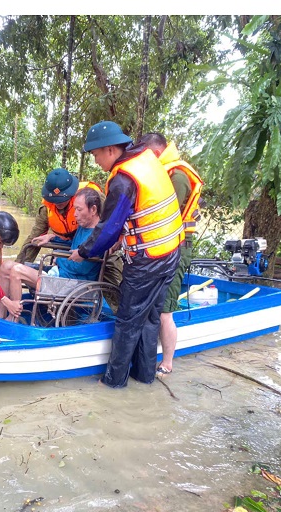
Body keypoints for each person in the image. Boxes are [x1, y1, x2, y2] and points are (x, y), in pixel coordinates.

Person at [69, 120, 183, 388]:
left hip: (148, 260)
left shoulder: (122, 179)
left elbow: (108, 228)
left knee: (128, 320)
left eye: (96, 155)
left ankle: (113, 383)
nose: (96, 161)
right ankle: (144, 377)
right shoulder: (145, 157)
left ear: (110, 150)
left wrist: (84, 252)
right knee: (151, 318)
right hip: (170, 252)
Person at [137, 132, 205, 378]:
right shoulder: (166, 172)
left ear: (154, 153)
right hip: (161, 246)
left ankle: (167, 362)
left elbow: (163, 214)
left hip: (177, 246)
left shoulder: (177, 175)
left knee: (165, 309)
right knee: (153, 303)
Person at [0, 187, 105, 321]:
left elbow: (80, 268)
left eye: (79, 210)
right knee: (6, 266)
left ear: (93, 210)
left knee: (17, 270)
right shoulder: (84, 225)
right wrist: (52, 237)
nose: (75, 214)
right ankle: (0, 314)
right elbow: (72, 246)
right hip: (61, 274)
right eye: (75, 209)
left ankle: (13, 318)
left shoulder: (98, 236)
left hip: (73, 284)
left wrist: (58, 259)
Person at [14, 168, 104, 265]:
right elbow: (34, 238)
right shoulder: (46, 209)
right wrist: (19, 265)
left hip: (93, 241)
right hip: (66, 244)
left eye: (62, 199)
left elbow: (111, 221)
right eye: (54, 199)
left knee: (110, 261)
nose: (58, 202)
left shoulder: (91, 196)